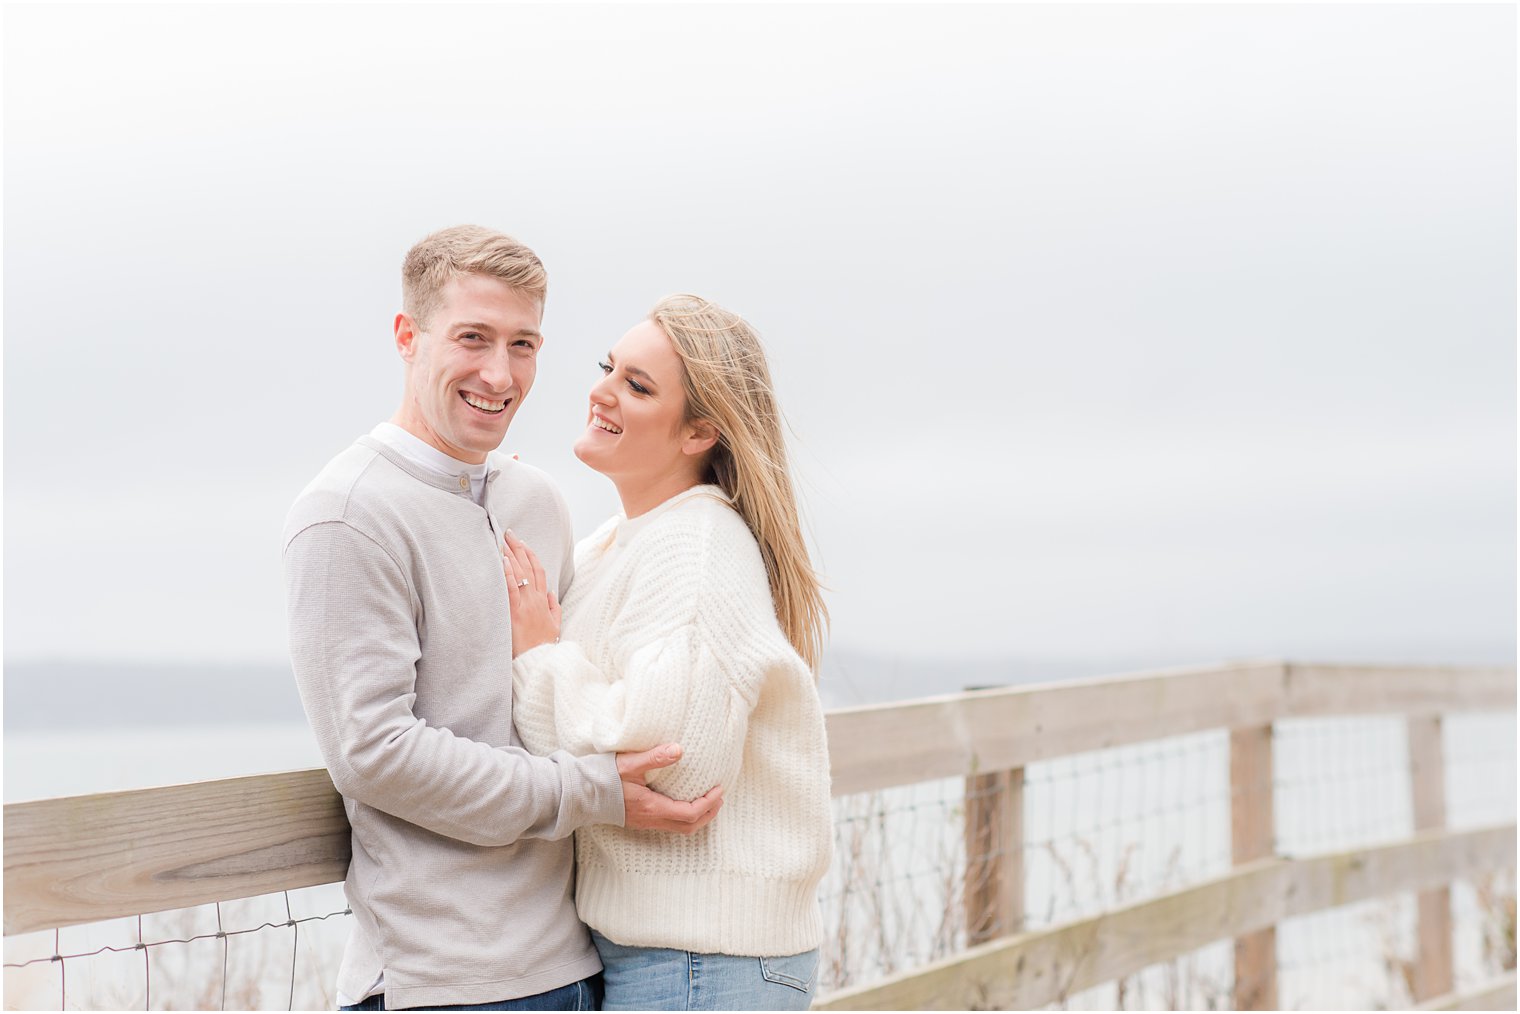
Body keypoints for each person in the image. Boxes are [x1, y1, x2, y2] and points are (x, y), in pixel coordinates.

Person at [283, 228, 724, 1011]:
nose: (500, 373)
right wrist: (588, 792)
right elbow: (374, 753)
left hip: (582, 965)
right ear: (407, 337)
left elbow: (568, 689)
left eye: (523, 345)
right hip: (448, 982)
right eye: (473, 339)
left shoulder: (536, 502)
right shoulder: (346, 515)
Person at [501, 295, 834, 1011]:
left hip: (702, 963)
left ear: (699, 433)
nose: (602, 391)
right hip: (670, 956)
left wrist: (539, 660)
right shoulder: (616, 545)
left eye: (637, 385)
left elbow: (673, 768)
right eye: (608, 368)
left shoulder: (697, 547)